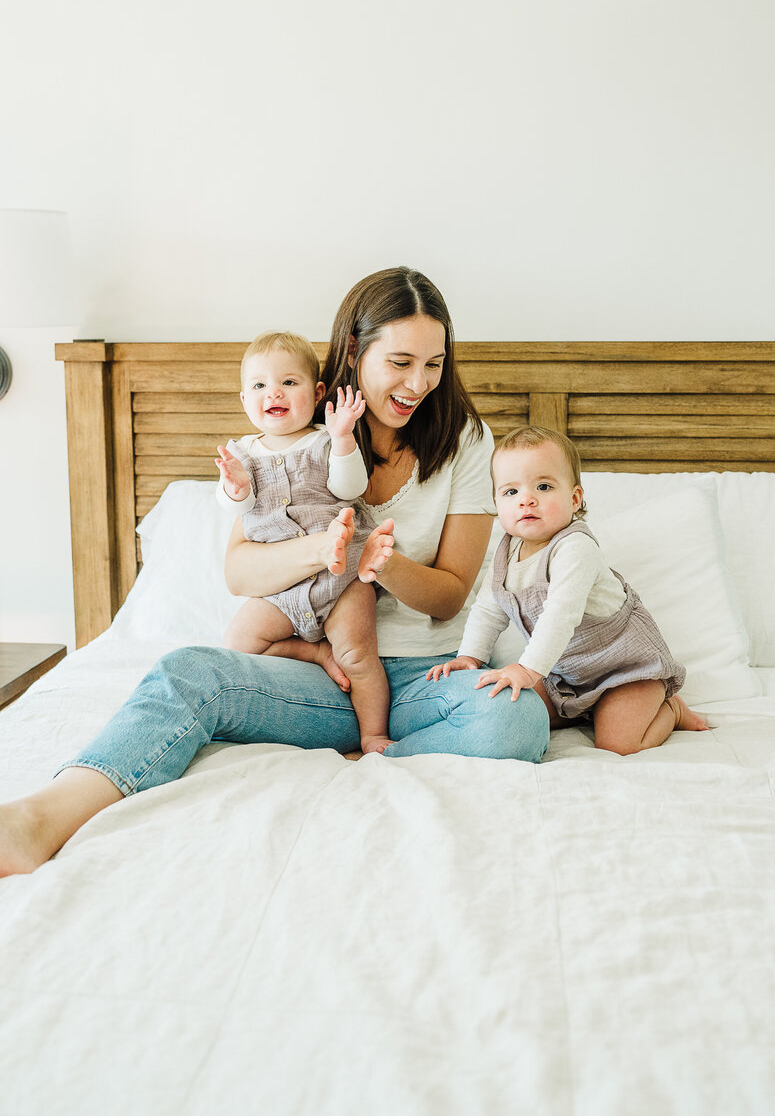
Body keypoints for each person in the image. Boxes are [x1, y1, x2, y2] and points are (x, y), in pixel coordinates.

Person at [0, 267, 550, 878]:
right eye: (399, 362)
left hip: (426, 678)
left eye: (434, 364)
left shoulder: (467, 440)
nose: (417, 383)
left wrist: (382, 563)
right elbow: (240, 571)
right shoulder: (296, 434)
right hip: (324, 682)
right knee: (188, 673)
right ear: (352, 352)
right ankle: (38, 818)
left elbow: (448, 597)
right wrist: (325, 551)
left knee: (518, 719)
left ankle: (375, 747)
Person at [428, 425, 710, 754]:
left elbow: (561, 615)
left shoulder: (575, 547)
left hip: (623, 671)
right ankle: (589, 710)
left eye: (543, 486)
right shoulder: (505, 554)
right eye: (510, 492)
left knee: (617, 743)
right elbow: (488, 610)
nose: (526, 500)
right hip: (564, 675)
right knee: (518, 711)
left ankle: (671, 709)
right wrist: (469, 656)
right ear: (495, 503)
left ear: (574, 498)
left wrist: (526, 669)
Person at [216, 329, 392, 755]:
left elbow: (350, 487)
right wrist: (236, 488)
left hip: (342, 575)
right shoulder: (242, 454)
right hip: (279, 588)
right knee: (237, 645)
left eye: (288, 382)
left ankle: (372, 735)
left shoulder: (325, 439)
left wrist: (345, 436)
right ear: (245, 401)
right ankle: (313, 654)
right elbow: (232, 506)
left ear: (316, 394)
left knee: (358, 656)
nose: (273, 392)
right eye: (259, 386)